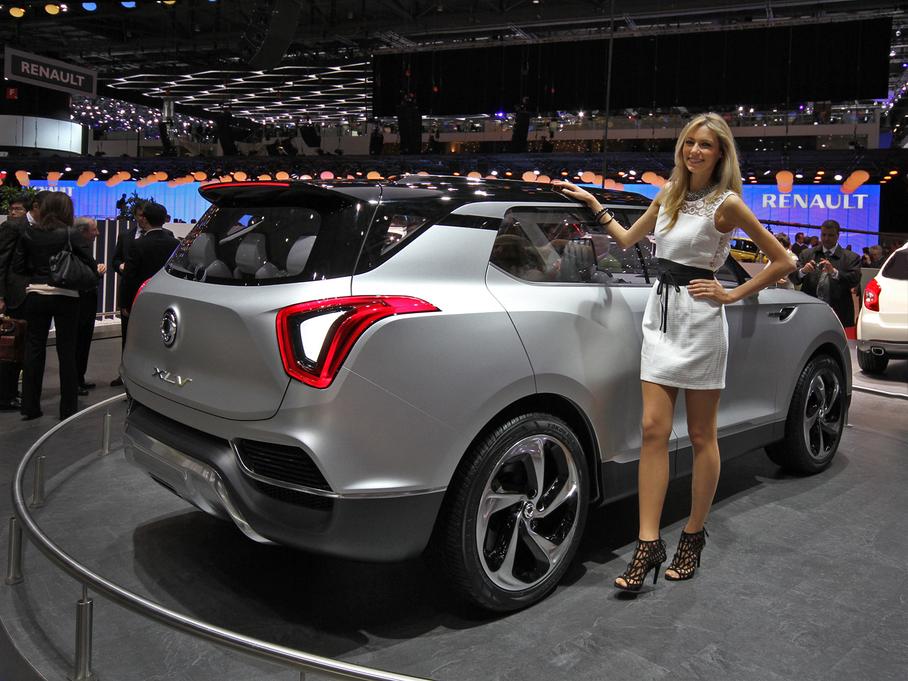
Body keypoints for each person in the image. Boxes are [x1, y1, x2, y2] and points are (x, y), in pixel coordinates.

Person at [554, 112, 794, 591]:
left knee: (702, 435)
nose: (695, 151)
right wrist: (594, 203)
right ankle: (648, 543)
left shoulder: (727, 204)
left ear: (720, 154)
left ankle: (692, 534)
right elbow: (628, 239)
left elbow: (782, 259)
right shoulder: (668, 193)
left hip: (701, 322)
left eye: (705, 145)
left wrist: (731, 294)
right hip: (660, 318)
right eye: (689, 143)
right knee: (653, 431)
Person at [11, 192, 97, 420]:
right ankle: (67, 408)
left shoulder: (29, 233)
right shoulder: (71, 234)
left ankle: (30, 407)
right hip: (66, 295)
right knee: (67, 351)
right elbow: (88, 265)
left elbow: (18, 267)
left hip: (36, 294)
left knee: (34, 349)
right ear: (67, 210)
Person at [119, 202, 180, 336]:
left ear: (145, 219)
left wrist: (125, 304)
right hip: (166, 298)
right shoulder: (175, 243)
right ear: (164, 219)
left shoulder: (138, 244)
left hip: (141, 299)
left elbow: (129, 276)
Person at [789, 219, 862, 328]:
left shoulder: (851, 257)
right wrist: (803, 271)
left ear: (838, 236)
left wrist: (834, 272)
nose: (826, 238)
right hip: (809, 312)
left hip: (839, 313)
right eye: (823, 235)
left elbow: (854, 280)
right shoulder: (807, 254)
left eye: (831, 235)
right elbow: (793, 278)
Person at [109, 202, 145, 386]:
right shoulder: (125, 236)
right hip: (129, 292)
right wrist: (120, 266)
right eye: (138, 215)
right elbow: (115, 260)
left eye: (144, 215)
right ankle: (125, 372)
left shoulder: (165, 236)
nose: (141, 219)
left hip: (149, 292)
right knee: (127, 334)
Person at [0, 194, 30, 411]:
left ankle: (10, 391)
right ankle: (5, 394)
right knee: (10, 344)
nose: (13, 212)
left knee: (19, 346)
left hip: (22, 293)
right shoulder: (11, 227)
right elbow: (1, 262)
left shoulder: (27, 227)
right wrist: (1, 296)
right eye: (12, 209)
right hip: (13, 294)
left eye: (18, 209)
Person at [74, 217, 107, 393]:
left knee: (83, 342)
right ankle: (74, 382)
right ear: (83, 231)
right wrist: (97, 272)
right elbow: (81, 276)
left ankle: (79, 379)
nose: (98, 233)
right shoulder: (77, 249)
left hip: (85, 301)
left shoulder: (82, 248)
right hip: (80, 302)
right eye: (94, 230)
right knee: (78, 343)